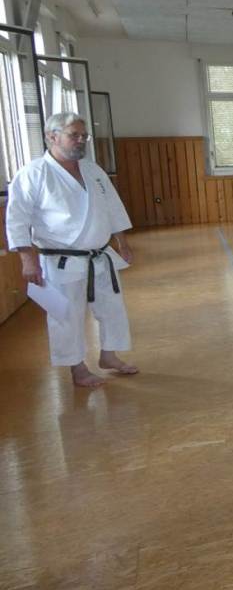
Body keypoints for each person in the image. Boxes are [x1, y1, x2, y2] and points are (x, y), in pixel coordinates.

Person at [5, 112, 138, 388]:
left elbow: (112, 206)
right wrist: (27, 259)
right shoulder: (33, 174)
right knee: (66, 316)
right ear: (52, 137)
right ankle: (77, 368)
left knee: (112, 307)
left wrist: (122, 242)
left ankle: (109, 356)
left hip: (100, 255)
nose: (80, 140)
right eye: (73, 135)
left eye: (83, 136)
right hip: (61, 260)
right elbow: (17, 219)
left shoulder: (93, 170)